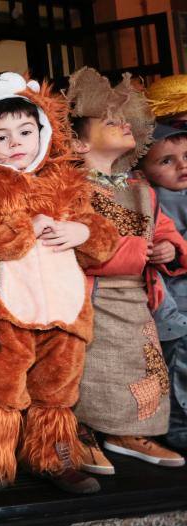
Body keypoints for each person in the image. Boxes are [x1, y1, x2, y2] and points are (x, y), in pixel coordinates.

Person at [0, 72, 119, 502]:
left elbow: (103, 236)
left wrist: (80, 233)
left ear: (43, 131)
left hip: (67, 308)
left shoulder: (68, 184)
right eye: (2, 137)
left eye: (25, 131)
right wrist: (28, 227)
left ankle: (54, 455)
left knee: (58, 389)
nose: (15, 143)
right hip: (7, 308)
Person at [67, 67, 187, 474]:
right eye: (109, 120)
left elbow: (166, 232)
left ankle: (127, 431)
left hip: (137, 296)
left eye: (124, 118)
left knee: (137, 363)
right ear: (79, 142)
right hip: (92, 295)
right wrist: (141, 250)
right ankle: (81, 431)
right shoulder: (72, 188)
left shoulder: (142, 187)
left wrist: (171, 249)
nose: (123, 124)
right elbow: (86, 247)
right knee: (90, 369)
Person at [138, 123, 187, 452]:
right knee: (177, 364)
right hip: (171, 301)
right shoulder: (151, 199)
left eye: (186, 156)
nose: (182, 166)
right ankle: (177, 427)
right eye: (166, 161)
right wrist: (170, 249)